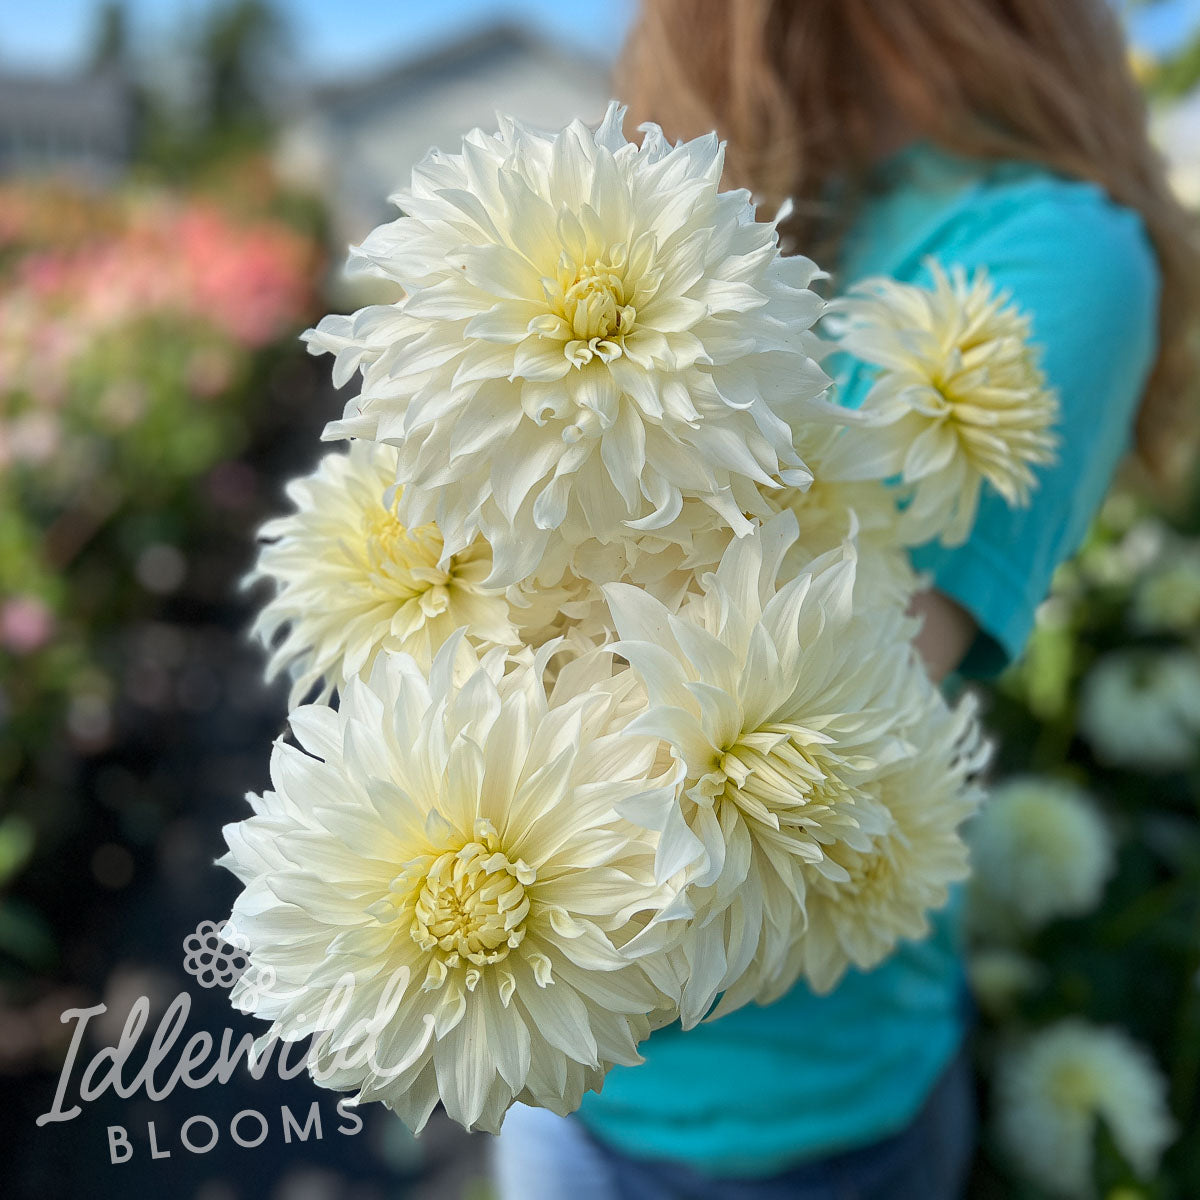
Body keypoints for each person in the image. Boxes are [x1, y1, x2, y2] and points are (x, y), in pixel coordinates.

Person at [492, 1, 1200, 1196]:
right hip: (550, 1079)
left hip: (796, 1125)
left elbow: (810, 716)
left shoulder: (1055, 252)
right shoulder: (739, 203)